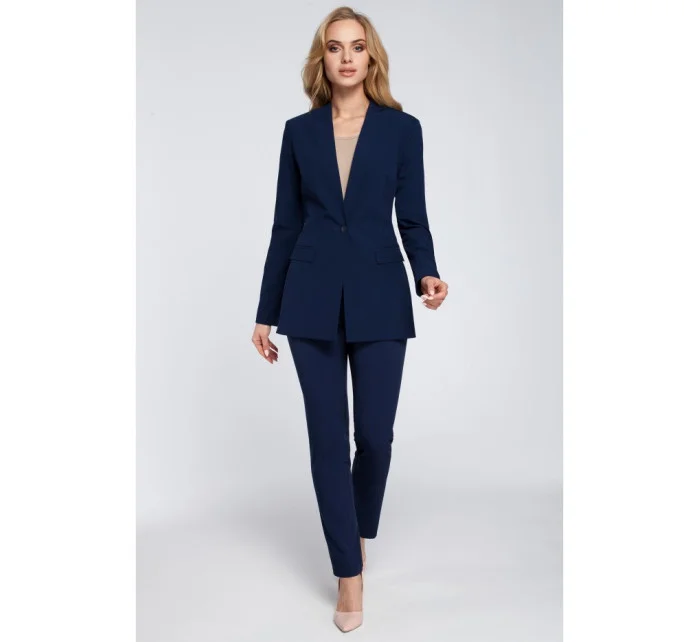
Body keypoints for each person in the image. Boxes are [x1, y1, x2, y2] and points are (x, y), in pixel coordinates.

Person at [251, 6, 448, 633]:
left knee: (377, 438)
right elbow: (285, 225)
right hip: (309, 299)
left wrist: (427, 272)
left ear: (371, 57)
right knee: (328, 442)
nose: (346, 57)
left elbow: (412, 215)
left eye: (356, 47)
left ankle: (358, 527)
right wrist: (265, 312)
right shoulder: (298, 133)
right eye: (334, 47)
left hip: (379, 296)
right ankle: (348, 574)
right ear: (322, 58)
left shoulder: (402, 129)